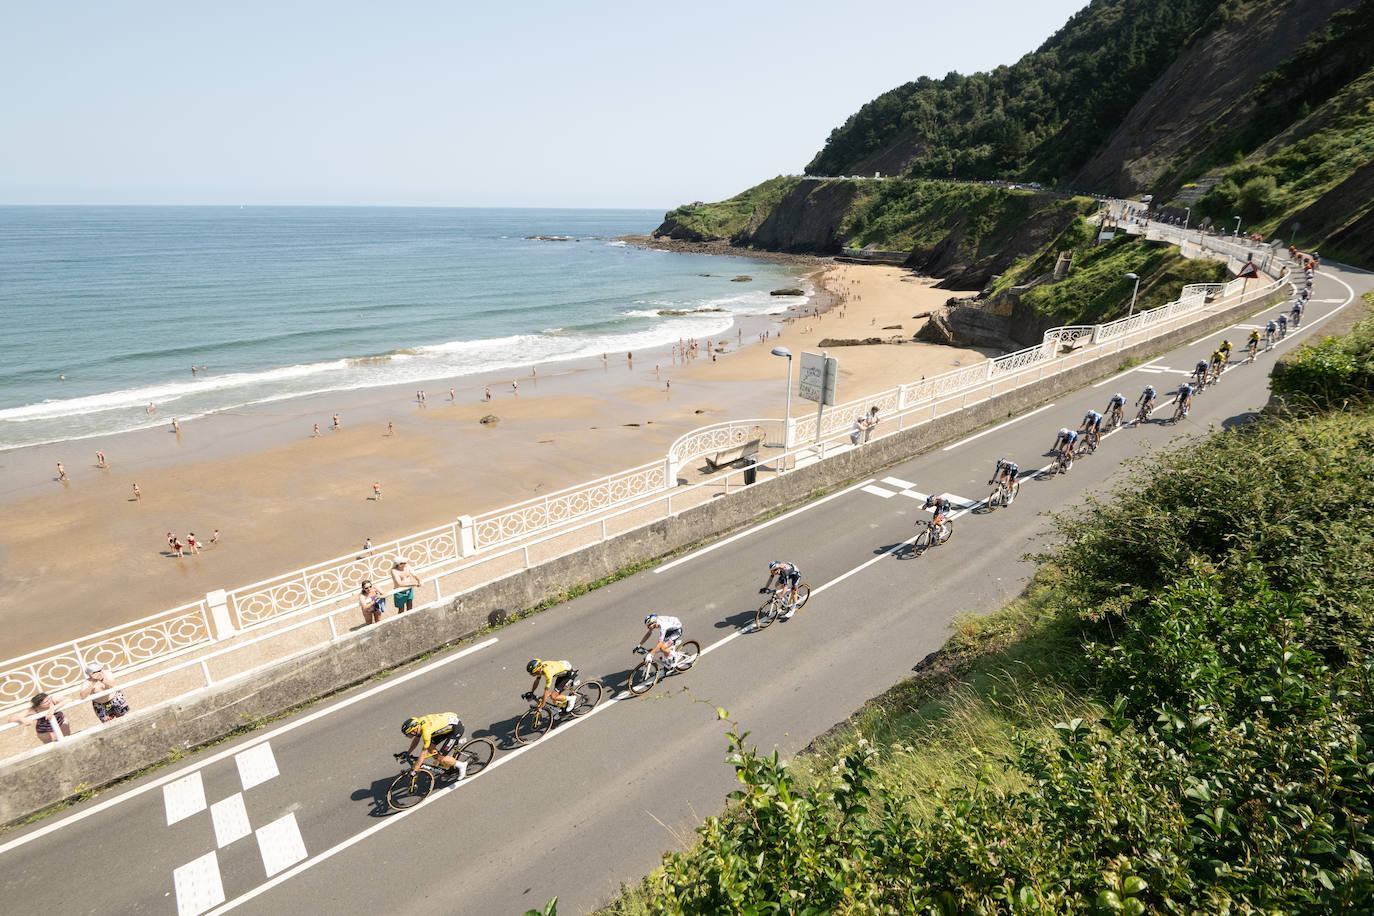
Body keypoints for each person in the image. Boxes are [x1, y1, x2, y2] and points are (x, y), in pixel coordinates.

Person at [398, 713, 467, 776]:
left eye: (408, 734)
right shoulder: (418, 723)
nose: (408, 736)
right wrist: (408, 752)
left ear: (414, 731)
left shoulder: (426, 731)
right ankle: (446, 763)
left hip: (456, 729)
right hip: (446, 726)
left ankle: (461, 765)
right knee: (430, 748)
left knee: (441, 757)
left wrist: (415, 769)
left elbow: (423, 753)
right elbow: (416, 740)